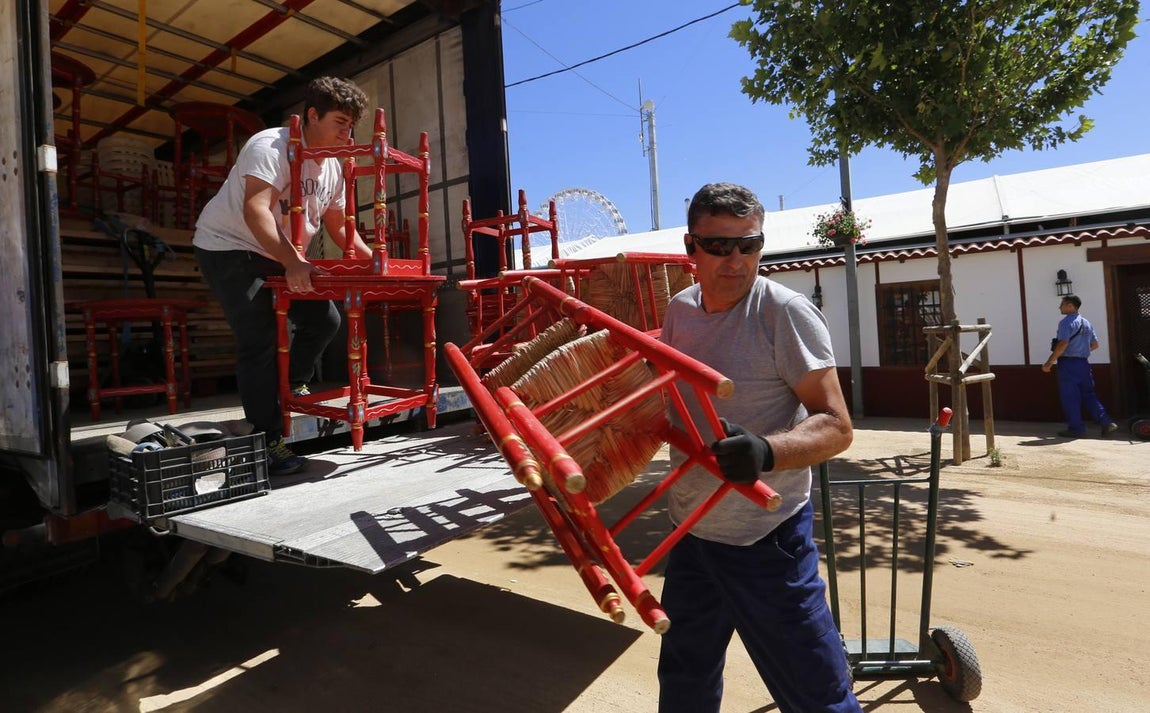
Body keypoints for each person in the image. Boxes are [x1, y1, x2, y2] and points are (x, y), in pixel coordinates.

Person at [656, 182, 860, 712]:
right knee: (684, 679)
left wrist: (765, 451)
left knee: (817, 692)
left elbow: (837, 425)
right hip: (692, 532)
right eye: (719, 246)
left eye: (749, 244)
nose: (736, 260)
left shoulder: (784, 314)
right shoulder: (679, 311)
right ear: (690, 249)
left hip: (765, 538)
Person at [192, 76, 372, 475]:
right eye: (341, 122)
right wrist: (292, 260)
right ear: (312, 115)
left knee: (324, 320)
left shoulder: (334, 169)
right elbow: (256, 210)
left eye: (352, 125)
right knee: (259, 339)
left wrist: (376, 264)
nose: (348, 132)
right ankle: (266, 438)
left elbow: (341, 227)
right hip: (229, 245)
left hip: (280, 251)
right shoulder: (269, 145)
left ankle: (291, 385)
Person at [1041, 295, 1119, 438]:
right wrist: (1081, 351)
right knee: (1088, 395)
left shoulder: (1065, 323)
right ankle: (1106, 422)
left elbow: (1063, 344)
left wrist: (1049, 362)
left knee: (1070, 397)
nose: (1060, 307)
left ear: (1070, 306)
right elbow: (1095, 345)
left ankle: (1076, 428)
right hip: (1083, 364)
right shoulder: (1086, 323)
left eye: (1062, 304)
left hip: (1068, 364)